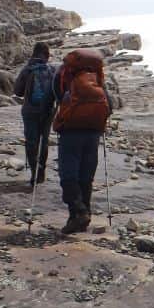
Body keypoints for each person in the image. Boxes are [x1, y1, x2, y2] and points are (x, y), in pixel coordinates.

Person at [53, 48, 112, 234]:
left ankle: (79, 212)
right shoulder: (96, 78)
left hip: (71, 131)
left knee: (68, 175)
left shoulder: (66, 74)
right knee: (86, 176)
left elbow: (56, 94)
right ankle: (81, 217)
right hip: (93, 133)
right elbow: (109, 105)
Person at [13, 42, 57, 186]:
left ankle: (34, 173)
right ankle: (42, 171)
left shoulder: (27, 69)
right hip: (48, 112)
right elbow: (58, 91)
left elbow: (18, 91)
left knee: (32, 141)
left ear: (34, 53)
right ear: (47, 54)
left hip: (30, 111)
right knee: (44, 141)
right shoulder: (51, 69)